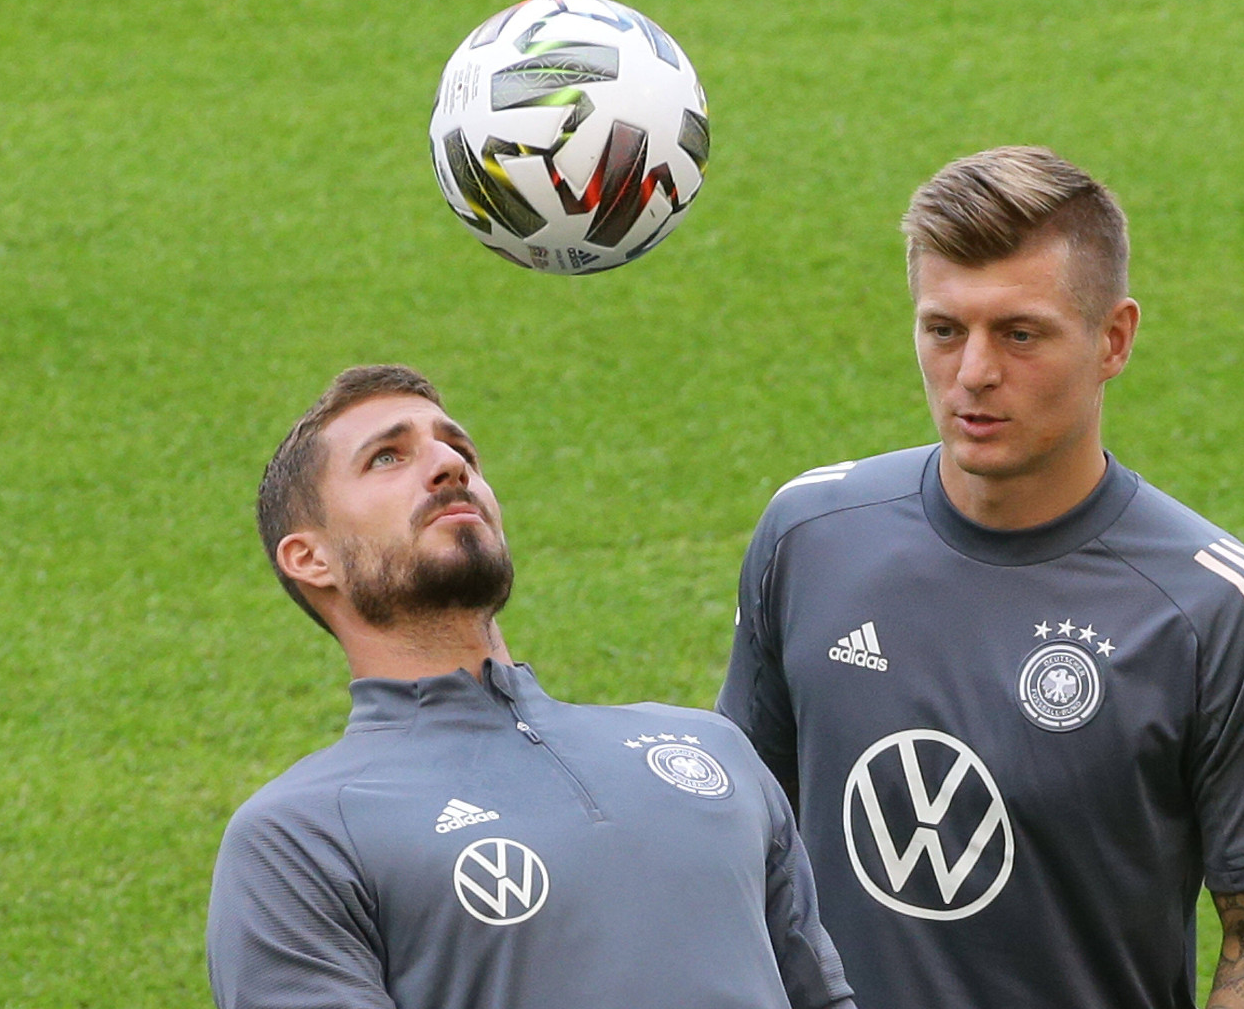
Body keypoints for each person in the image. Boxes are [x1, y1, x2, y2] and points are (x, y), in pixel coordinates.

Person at [717, 147, 1244, 1009]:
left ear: (1113, 339)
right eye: (944, 329)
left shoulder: (1215, 605)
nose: (973, 373)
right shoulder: (810, 534)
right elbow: (742, 838)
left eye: (1019, 333)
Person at [208, 365, 854, 1009]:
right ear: (310, 558)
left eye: (459, 449)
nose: (448, 466)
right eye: (386, 457)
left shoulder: (713, 749)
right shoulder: (299, 836)